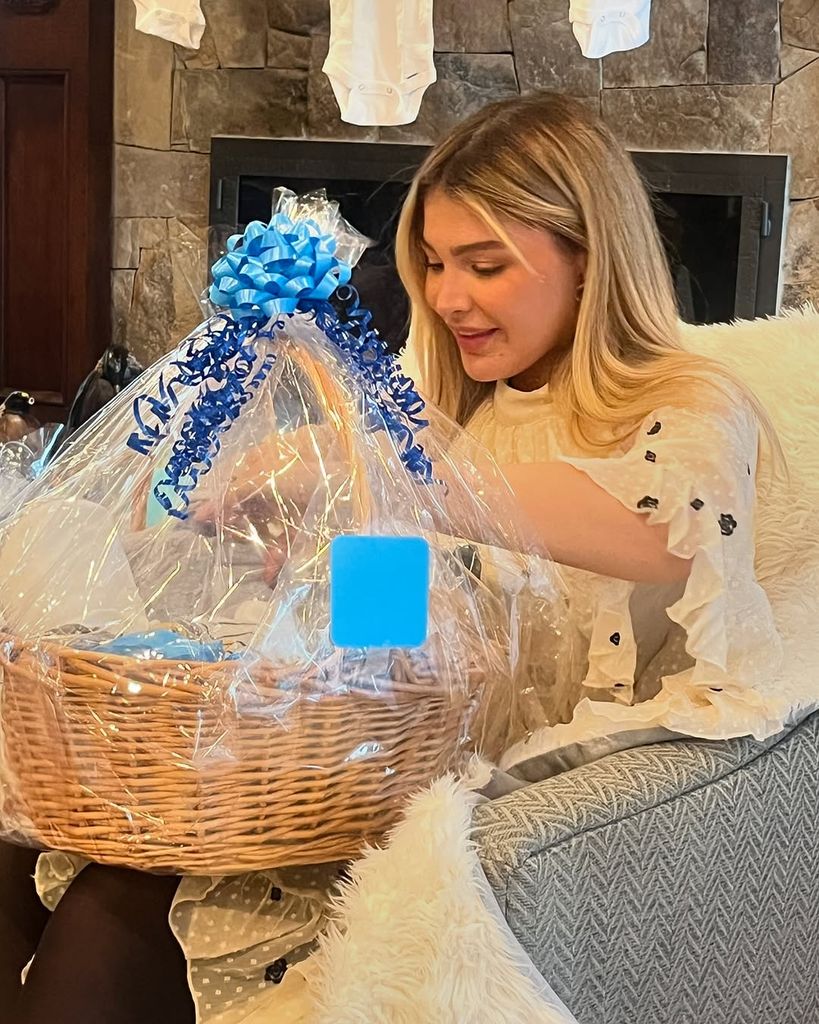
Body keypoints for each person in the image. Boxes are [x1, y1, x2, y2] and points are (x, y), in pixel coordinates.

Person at [0, 90, 783, 1024]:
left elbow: (661, 535)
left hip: (485, 795)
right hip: (373, 762)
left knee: (112, 907)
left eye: (485, 265)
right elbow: (398, 626)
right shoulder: (451, 410)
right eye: (435, 264)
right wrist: (304, 579)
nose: (447, 298)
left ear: (590, 258)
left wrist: (356, 467)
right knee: (28, 840)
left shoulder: (688, 404)